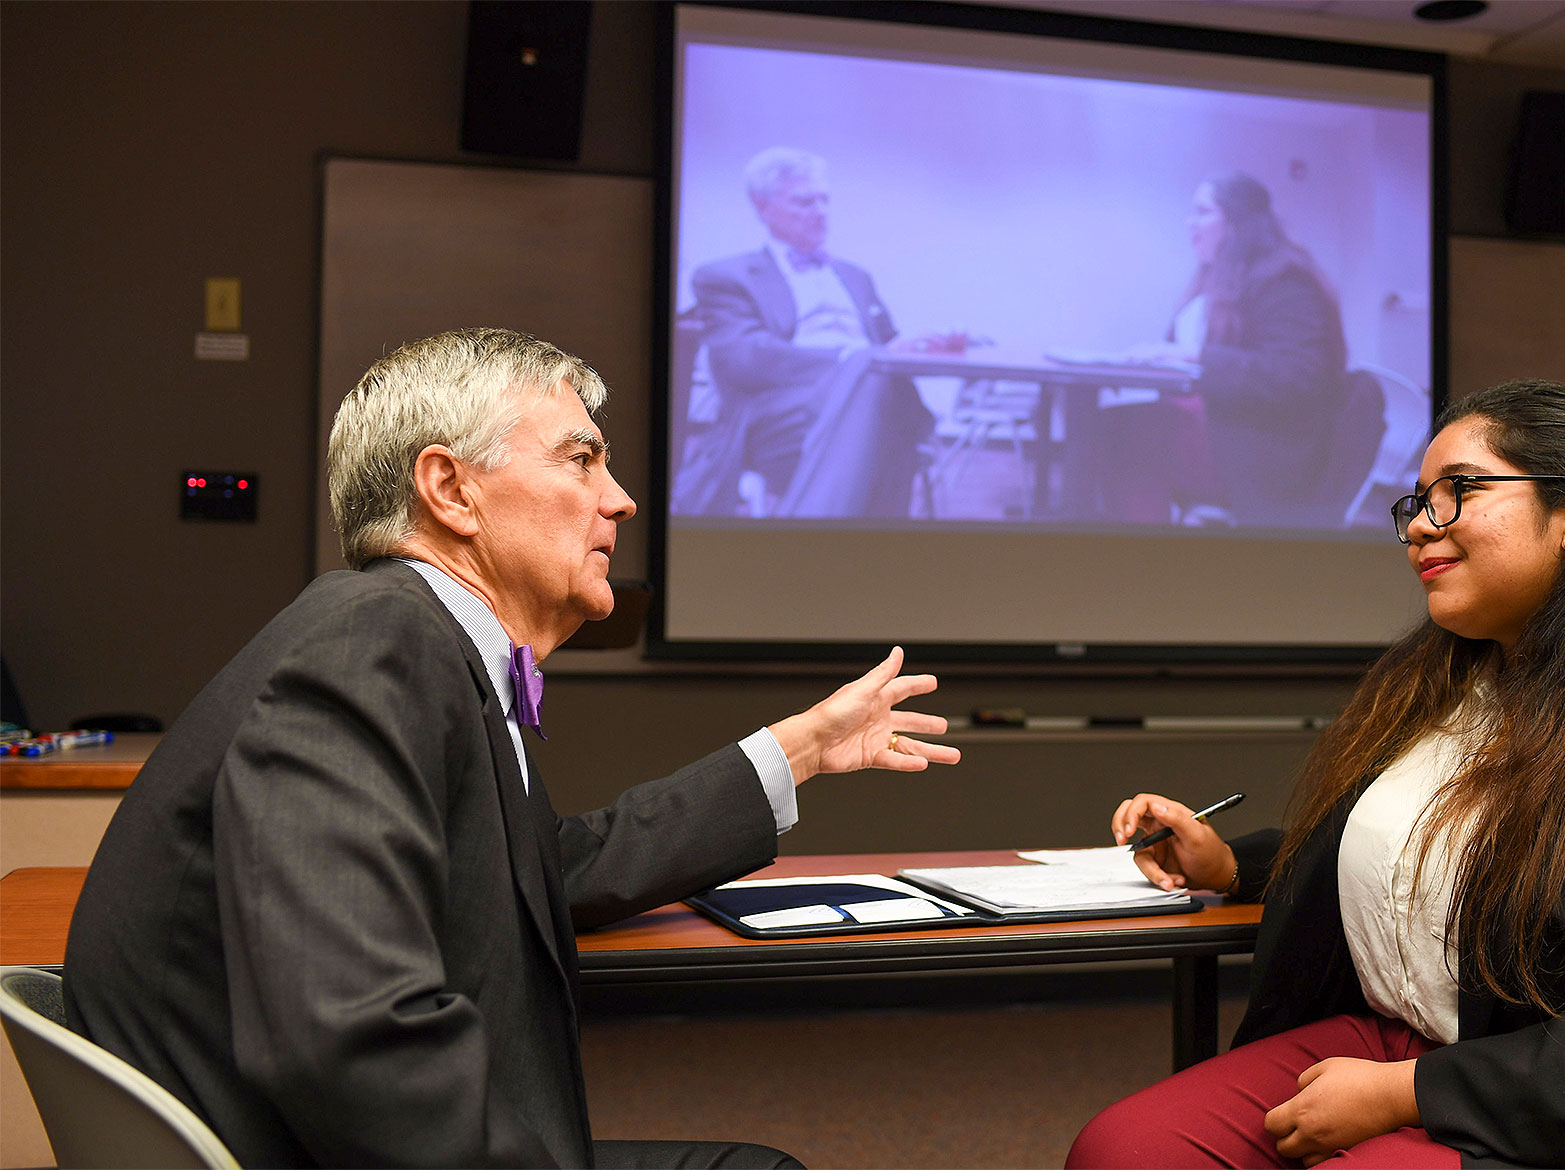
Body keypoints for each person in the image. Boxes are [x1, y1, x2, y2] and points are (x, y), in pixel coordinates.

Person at [61, 328, 961, 1169]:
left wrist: (796, 750)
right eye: (582, 458)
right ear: (451, 490)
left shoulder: (420, 644)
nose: (621, 499)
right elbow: (350, 1038)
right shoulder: (374, 646)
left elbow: (548, 872)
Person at [1067, 380, 1565, 1168]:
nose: (1419, 528)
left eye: (1460, 492)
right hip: (1402, 1040)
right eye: (1416, 503)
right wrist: (1236, 865)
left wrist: (1408, 1092)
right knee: (1122, 1150)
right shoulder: (1448, 684)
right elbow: (1421, 852)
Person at [677, 147, 958, 520]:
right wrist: (850, 361)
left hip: (877, 402)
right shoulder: (726, 276)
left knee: (879, 398)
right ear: (763, 208)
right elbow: (745, 359)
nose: (820, 211)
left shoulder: (856, 277)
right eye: (804, 202)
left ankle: (810, 545)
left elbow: (887, 345)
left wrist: (923, 346)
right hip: (783, 417)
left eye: (824, 200)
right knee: (880, 401)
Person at [1109, 171, 1352, 528]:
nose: (1189, 222)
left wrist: (1196, 355)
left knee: (1125, 432)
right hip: (1225, 427)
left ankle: (1141, 558)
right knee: (1121, 422)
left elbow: (1299, 376)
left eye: (1203, 211)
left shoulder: (1284, 279)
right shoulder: (1217, 278)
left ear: (1237, 222)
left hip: (1263, 450)